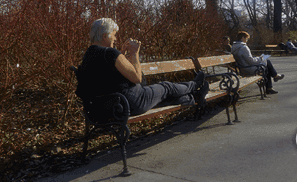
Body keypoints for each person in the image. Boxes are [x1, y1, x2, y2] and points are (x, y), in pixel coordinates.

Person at [75, 18, 209, 116]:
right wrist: (134, 54)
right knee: (166, 87)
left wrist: (121, 54)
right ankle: (195, 84)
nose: (115, 39)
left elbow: (109, 73)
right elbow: (138, 78)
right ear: (105, 36)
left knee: (161, 98)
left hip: (104, 108)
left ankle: (195, 97)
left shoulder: (89, 54)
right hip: (130, 103)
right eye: (114, 35)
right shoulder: (110, 53)